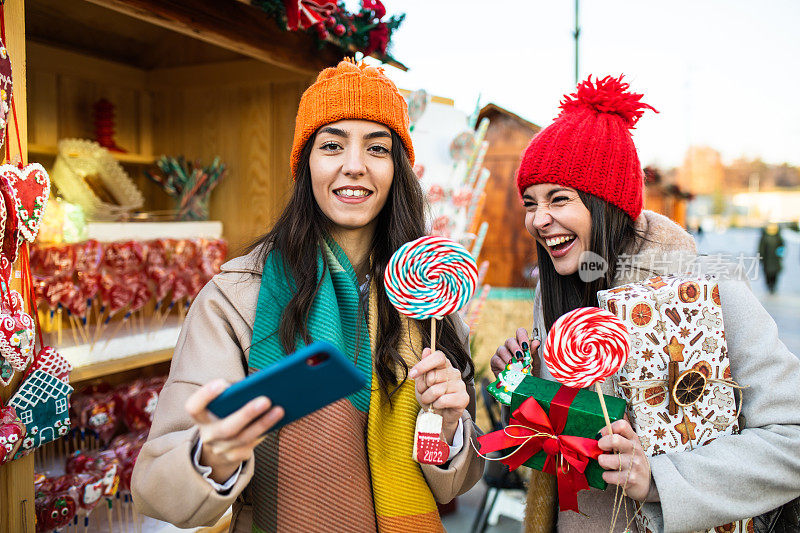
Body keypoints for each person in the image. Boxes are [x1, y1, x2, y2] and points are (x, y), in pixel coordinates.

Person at [132, 60, 484, 532]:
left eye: (377, 148)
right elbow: (155, 487)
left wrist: (444, 426)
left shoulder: (430, 297)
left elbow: (455, 484)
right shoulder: (236, 298)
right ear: (306, 164)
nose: (354, 165)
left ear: (396, 170)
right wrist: (211, 455)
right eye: (332, 145)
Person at [490, 75, 800, 532]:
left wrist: (658, 479)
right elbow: (552, 449)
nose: (538, 220)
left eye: (559, 199)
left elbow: (791, 441)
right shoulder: (555, 291)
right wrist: (519, 389)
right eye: (530, 202)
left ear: (606, 203)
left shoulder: (706, 286)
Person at [758, 222, 784, 294]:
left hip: (775, 259)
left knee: (774, 274)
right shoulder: (765, 237)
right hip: (767, 260)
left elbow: (781, 247)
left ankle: (772, 286)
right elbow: (761, 249)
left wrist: (780, 256)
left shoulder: (778, 237)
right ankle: (770, 286)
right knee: (768, 274)